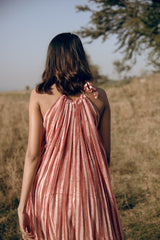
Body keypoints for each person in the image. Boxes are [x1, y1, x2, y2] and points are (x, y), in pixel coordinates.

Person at [18, 32, 124, 240]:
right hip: (90, 189)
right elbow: (106, 155)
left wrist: (22, 206)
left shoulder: (39, 95)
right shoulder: (99, 96)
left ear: (52, 58)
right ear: (80, 57)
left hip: (49, 191)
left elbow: (33, 155)